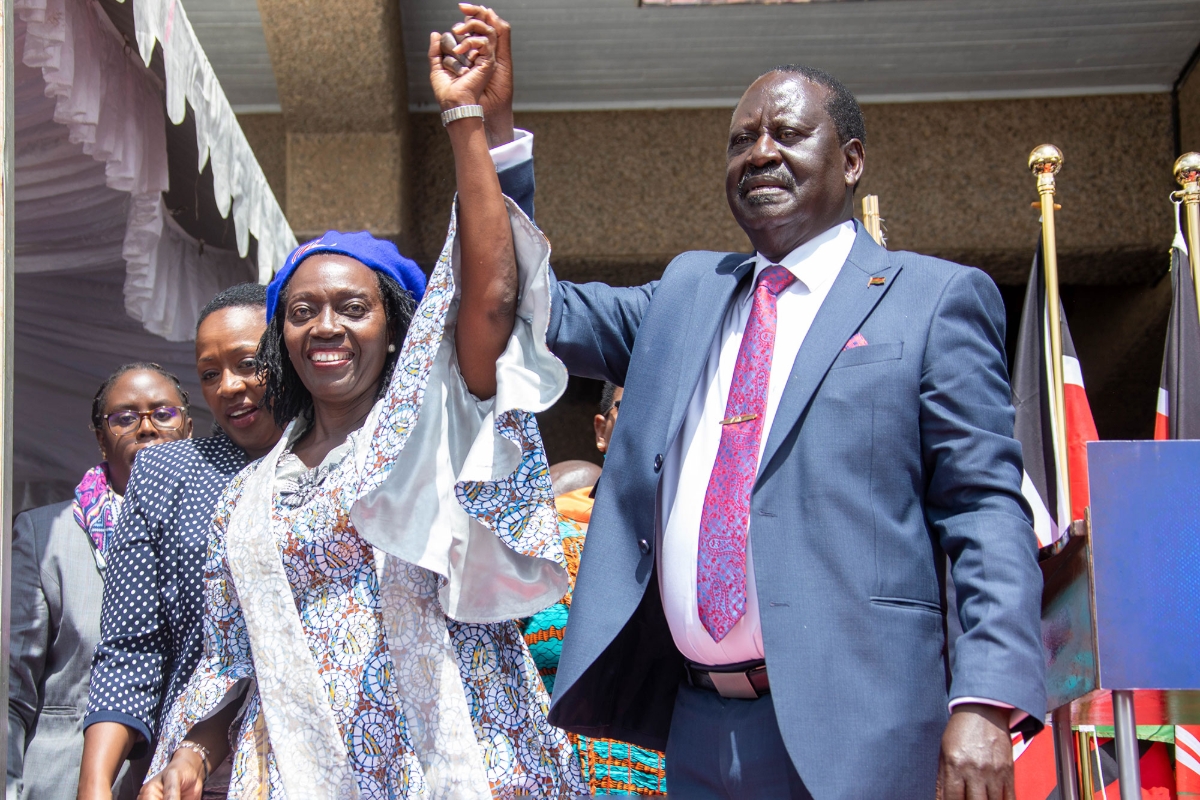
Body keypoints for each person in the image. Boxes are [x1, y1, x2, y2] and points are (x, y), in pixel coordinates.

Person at [478, 49, 1047, 799]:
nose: (760, 153)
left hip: (863, 735)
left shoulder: (933, 300)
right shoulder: (684, 295)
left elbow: (983, 509)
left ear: (850, 161)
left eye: (786, 133)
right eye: (741, 139)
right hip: (698, 728)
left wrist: (983, 700)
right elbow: (529, 303)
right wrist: (492, 138)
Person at [139, 15, 582, 799]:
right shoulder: (243, 500)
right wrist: (194, 754)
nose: (327, 326)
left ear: (397, 325)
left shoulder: (432, 432)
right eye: (303, 311)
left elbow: (490, 299)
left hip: (453, 765)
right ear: (280, 338)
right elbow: (227, 662)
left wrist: (469, 121)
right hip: (294, 774)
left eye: (352, 306)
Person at [79, 283, 283, 800]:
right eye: (210, 374)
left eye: (248, 363)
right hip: (195, 775)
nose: (230, 386)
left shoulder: (340, 461)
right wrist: (95, 783)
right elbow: (131, 647)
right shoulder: (166, 472)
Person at [8, 363, 194, 800]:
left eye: (163, 413)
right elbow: (12, 694)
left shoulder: (220, 529)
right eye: (125, 418)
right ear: (100, 436)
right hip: (63, 780)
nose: (145, 428)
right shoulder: (44, 536)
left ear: (187, 428)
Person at [520, 383, 670, 796]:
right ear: (601, 430)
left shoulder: (708, 560)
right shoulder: (538, 545)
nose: (653, 421)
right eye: (636, 405)